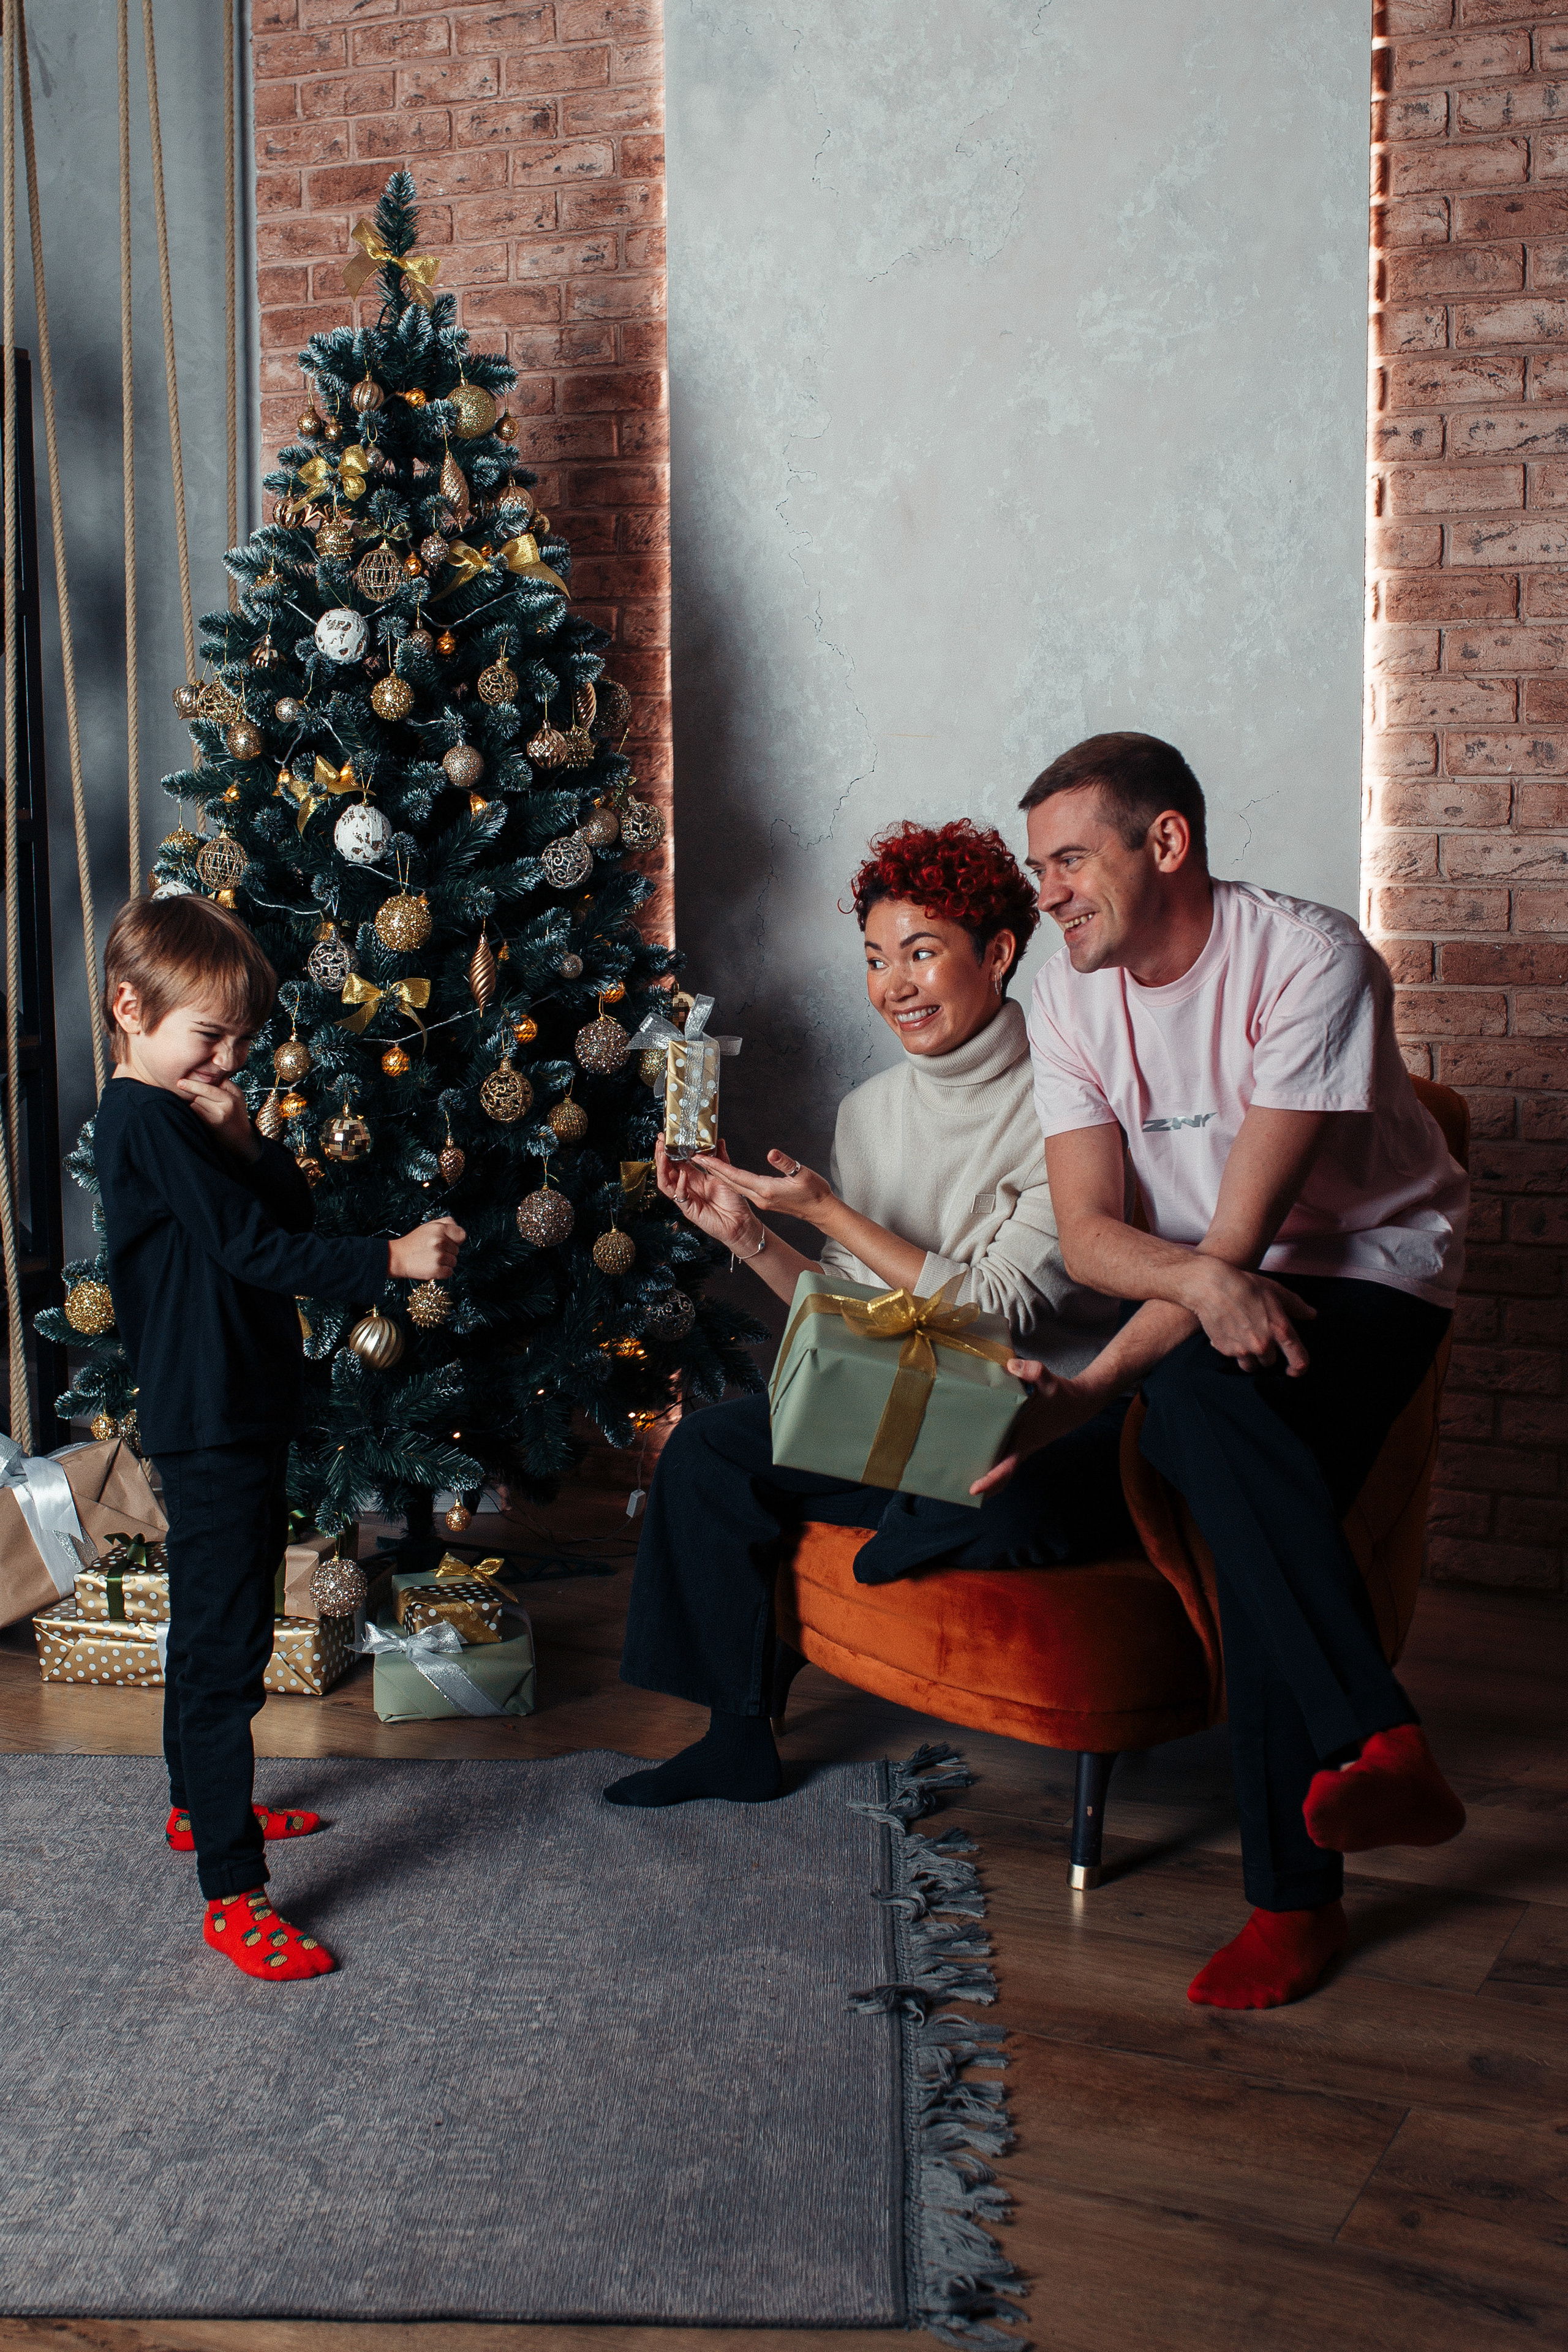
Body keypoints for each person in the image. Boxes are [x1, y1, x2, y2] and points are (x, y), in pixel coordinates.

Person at [979, 731, 1468, 2010]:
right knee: (1224, 1445)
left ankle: (1298, 1891)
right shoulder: (1068, 998)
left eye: (1069, 860)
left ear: (1166, 842)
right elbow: (1090, 1236)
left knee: (1205, 1414)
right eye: (1038, 872)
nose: (1048, 896)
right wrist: (1096, 1387)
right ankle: (1368, 1751)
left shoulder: (1308, 958)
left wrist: (1131, 1359)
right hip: (1209, 1278)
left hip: (1364, 1267)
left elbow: (1243, 1244)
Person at [605, 819, 1130, 1809]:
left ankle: (926, 1509)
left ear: (1000, 954)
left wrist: (831, 1212)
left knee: (1032, 1489)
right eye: (878, 960)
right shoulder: (869, 1114)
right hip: (921, 1399)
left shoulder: (1068, 1097)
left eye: (923, 954)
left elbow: (1006, 1315)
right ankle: (737, 1736)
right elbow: (858, 1319)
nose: (895, 986)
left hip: (1036, 1405)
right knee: (712, 1451)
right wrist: (755, 1239)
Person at [92, 897, 464, 1981]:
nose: (231, 1059)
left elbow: (278, 1207)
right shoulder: (141, 1121)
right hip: (207, 1423)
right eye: (210, 1037)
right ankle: (231, 1889)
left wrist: (247, 1134)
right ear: (131, 1008)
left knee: (224, 1623)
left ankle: (190, 1811)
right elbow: (256, 1247)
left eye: (244, 1041)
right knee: (225, 1648)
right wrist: (388, 1262)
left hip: (237, 1407)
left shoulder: (184, 1118)